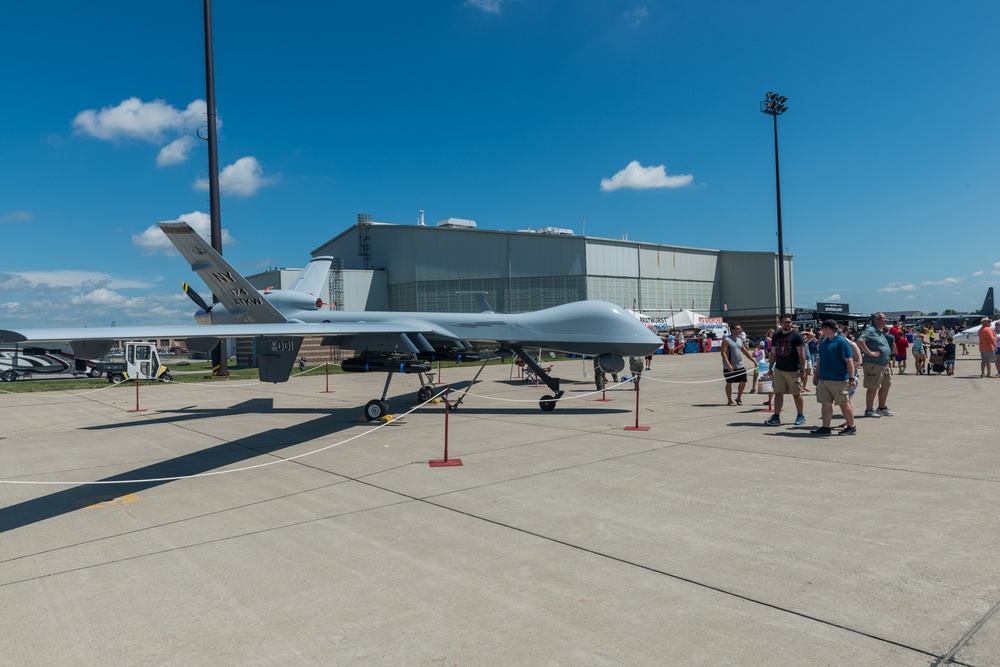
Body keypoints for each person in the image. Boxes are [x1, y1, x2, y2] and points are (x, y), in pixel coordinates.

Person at [810, 320, 857, 435]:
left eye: (822, 328)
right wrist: (816, 375)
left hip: (839, 379)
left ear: (828, 329)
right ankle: (826, 427)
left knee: (843, 403)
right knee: (825, 403)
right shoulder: (824, 342)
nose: (821, 331)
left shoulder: (841, 342)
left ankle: (851, 427)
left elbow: (849, 361)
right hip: (824, 379)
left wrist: (851, 378)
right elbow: (820, 360)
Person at [762, 314, 807, 427]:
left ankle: (800, 415)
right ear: (780, 323)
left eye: (788, 322)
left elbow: (801, 354)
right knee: (778, 393)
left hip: (793, 370)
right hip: (779, 369)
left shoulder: (796, 336)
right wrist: (771, 368)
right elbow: (773, 353)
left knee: (796, 393)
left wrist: (802, 370)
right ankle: (776, 417)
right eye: (784, 322)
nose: (786, 324)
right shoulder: (776, 336)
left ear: (791, 323)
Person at [856, 312, 894, 417]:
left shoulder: (879, 331)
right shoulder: (870, 330)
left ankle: (881, 407)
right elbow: (860, 340)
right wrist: (870, 353)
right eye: (883, 318)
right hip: (874, 364)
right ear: (876, 320)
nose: (886, 320)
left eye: (886, 318)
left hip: (884, 363)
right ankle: (869, 410)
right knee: (873, 386)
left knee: (886, 385)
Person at [720, 323, 755, 406]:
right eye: (738, 329)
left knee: (743, 381)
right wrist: (728, 365)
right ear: (732, 330)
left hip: (739, 365)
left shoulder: (739, 340)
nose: (740, 330)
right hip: (729, 366)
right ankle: (729, 400)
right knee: (729, 382)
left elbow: (745, 352)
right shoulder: (727, 340)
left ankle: (738, 397)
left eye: (740, 329)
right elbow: (723, 353)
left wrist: (754, 361)